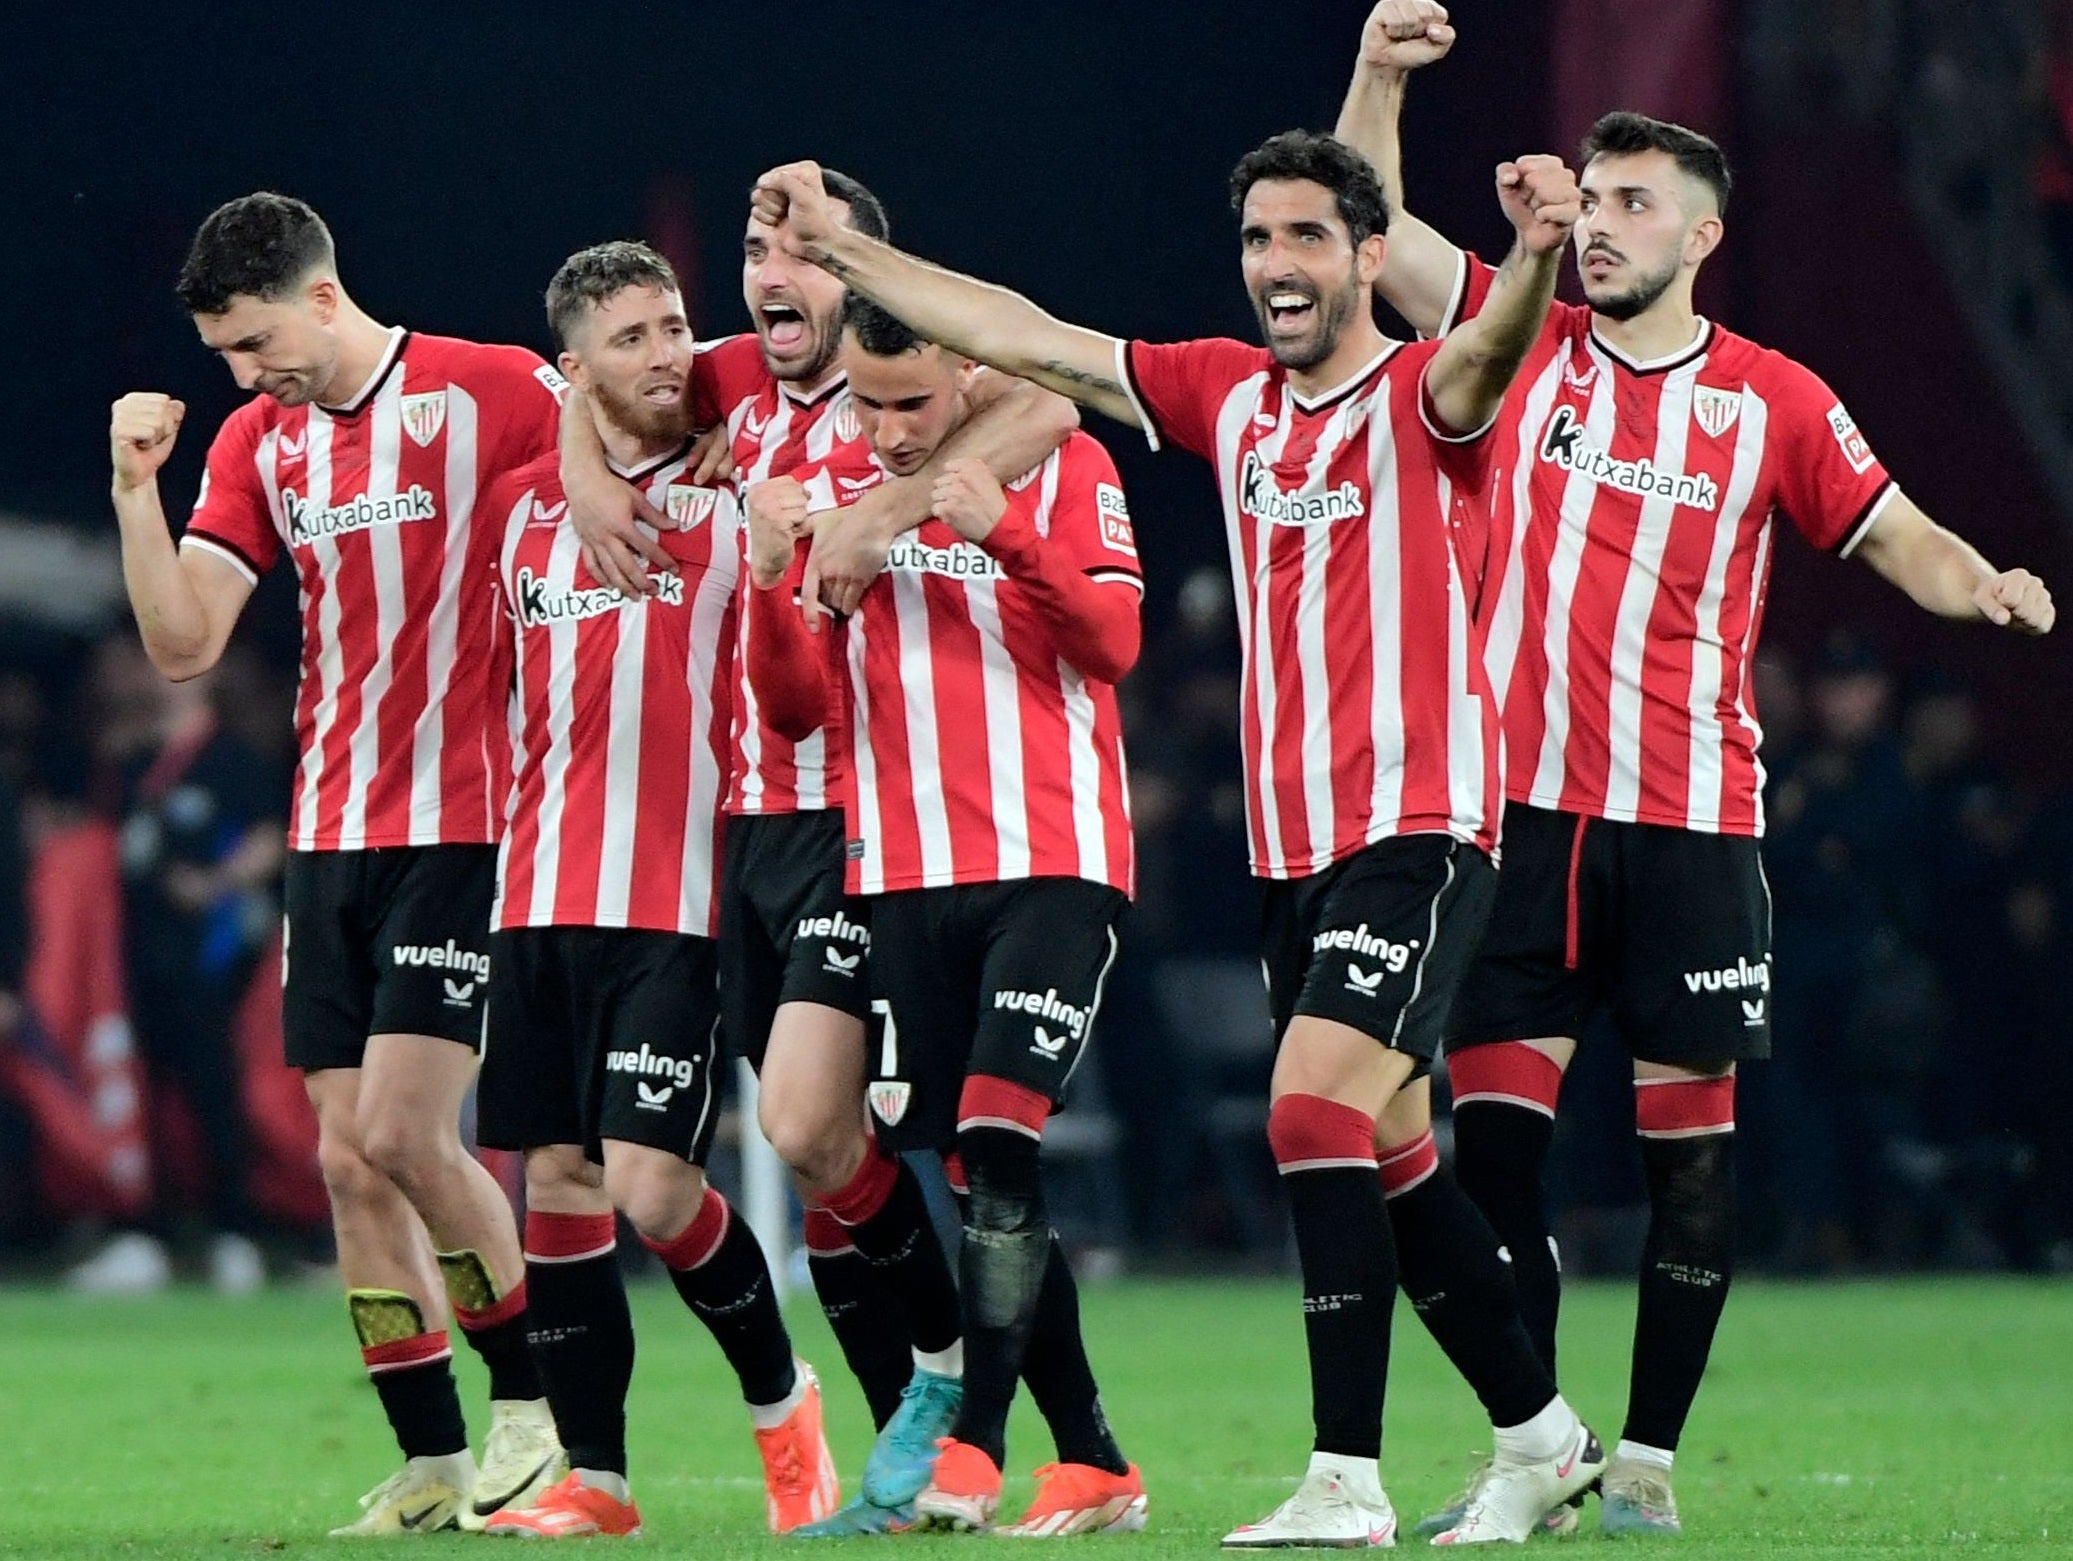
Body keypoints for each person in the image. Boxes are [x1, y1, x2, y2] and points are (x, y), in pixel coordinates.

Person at [748, 125, 1602, 1547]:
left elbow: (1489, 355)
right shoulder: (1228, 399)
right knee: (1387, 1152)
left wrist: (1526, 256)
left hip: (1422, 823)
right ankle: (1540, 1434)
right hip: (1294, 847)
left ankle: (1346, 1478)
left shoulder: (1417, 389)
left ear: (1367, 257)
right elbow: (1023, 337)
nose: (1276, 262)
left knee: (1308, 1111)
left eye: (1307, 237)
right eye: (1259, 237)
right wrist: (836, 252)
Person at [1335, 1, 2056, 1535]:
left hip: (1690, 828)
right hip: (1522, 822)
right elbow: (1368, 222)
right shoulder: (1510, 330)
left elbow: (1896, 527)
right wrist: (1380, 78)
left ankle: (1649, 1463)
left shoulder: (1772, 400)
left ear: (1703, 236)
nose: (1596, 229)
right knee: (1497, 1160)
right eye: (1589, 203)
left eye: (1631, 205)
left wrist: (1980, 580)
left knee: (1693, 1172)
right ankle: (1534, 1443)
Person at [562, 172, 1078, 1536]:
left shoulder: (897, 389)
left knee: (821, 1124)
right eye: (753, 244)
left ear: (864, 272)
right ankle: (947, 1426)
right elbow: (585, 382)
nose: (772, 267)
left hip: (865, 810)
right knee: (826, 1154)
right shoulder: (731, 381)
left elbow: (1055, 398)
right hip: (746, 822)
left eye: (804, 244)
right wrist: (574, 456)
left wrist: (868, 521)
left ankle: (969, 1393)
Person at [108, 192, 563, 1534]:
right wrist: (139, 490)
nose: (245, 375)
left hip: (469, 820)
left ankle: (534, 1416)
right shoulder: (260, 441)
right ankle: (432, 1456)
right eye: (224, 357)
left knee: (407, 1132)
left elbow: (644, 457)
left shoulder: (497, 391)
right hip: (333, 831)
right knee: (346, 1163)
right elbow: (183, 642)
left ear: (321, 292)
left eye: (254, 342)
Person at [744, 293, 1148, 1536]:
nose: (889, 427)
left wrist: (1014, 537)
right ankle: (1092, 1460)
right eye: (866, 401)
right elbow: (797, 707)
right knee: (973, 1165)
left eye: (912, 400)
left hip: (1054, 855)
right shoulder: (839, 495)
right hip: (902, 873)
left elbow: (1114, 641)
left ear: (970, 372)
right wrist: (774, 581)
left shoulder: (1059, 462)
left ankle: (971, 1445)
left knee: (1000, 1136)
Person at [474, 240, 842, 1539]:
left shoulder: (738, 482)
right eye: (627, 337)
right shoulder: (523, 510)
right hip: (534, 897)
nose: (666, 352)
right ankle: (600, 1479)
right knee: (558, 1187)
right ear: (574, 369)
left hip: (679, 897)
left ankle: (780, 1398)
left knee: (650, 1185)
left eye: (673, 324)